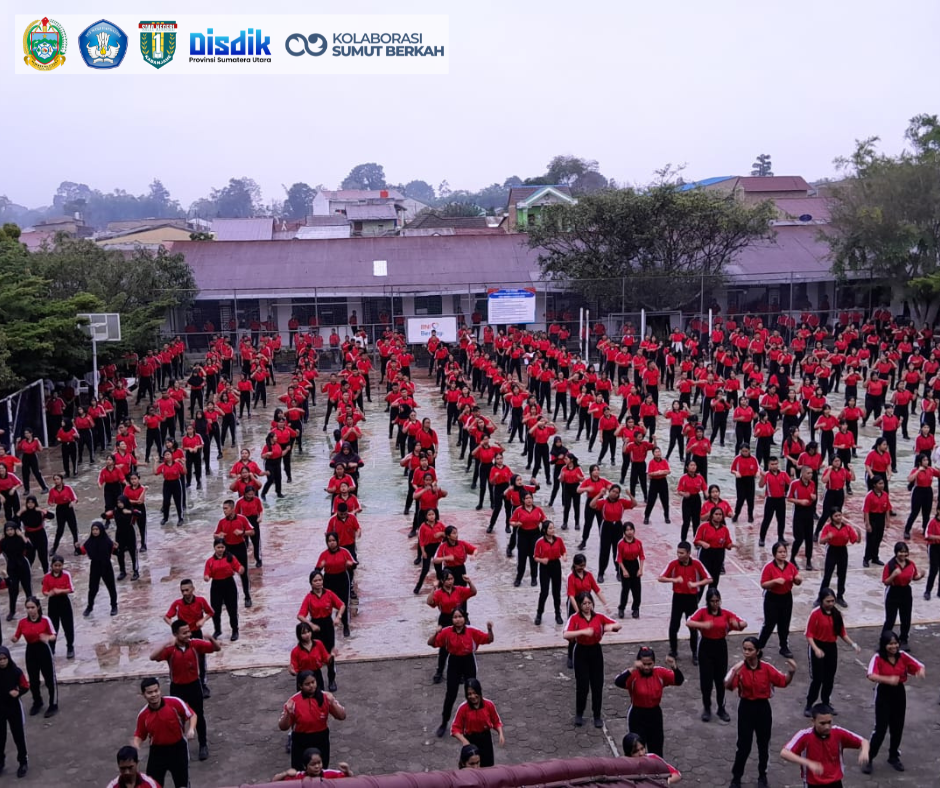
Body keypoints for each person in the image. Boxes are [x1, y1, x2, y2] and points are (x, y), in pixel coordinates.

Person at [725, 637, 797, 788]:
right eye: (744, 649)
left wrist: (791, 672)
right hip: (746, 708)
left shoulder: (767, 668)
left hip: (763, 709)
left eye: (750, 649)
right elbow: (728, 686)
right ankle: (736, 777)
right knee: (743, 746)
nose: (746, 652)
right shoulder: (739, 668)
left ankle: (762, 775)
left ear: (758, 652)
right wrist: (734, 673)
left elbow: (783, 682)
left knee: (763, 745)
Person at [150, 620, 221, 761]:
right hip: (177, 688)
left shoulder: (195, 644)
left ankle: (203, 745)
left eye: (189, 631)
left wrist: (211, 638)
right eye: (184, 633)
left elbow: (216, 648)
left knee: (199, 715)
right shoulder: (170, 650)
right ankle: (180, 745)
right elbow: (153, 657)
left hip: (194, 685)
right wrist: (166, 643)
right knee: (178, 719)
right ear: (175, 634)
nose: (188, 634)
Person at [863, 629, 925, 774]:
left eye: (896, 643)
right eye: (890, 644)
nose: (894, 647)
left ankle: (893, 756)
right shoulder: (878, 657)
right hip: (884, 693)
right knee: (880, 728)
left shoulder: (902, 656)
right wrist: (888, 680)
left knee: (897, 726)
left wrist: (919, 672)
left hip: (899, 693)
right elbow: (871, 675)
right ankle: (869, 757)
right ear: (884, 645)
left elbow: (918, 666)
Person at [429, 611, 494, 738]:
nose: (458, 620)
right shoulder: (447, 632)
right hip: (454, 662)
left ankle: (476, 721)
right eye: (455, 617)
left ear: (464, 619)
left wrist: (490, 630)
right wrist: (436, 633)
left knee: (473, 694)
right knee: (450, 694)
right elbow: (431, 643)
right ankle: (444, 722)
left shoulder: (471, 631)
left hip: (468, 661)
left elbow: (489, 639)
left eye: (460, 617)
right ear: (452, 619)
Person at [687, 588, 746, 722]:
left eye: (717, 601)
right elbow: (689, 622)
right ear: (708, 602)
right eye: (712, 601)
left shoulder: (725, 614)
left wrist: (738, 624)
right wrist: (703, 625)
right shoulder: (702, 612)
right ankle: (707, 707)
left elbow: (742, 623)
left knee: (721, 680)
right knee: (706, 681)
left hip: (720, 647)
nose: (715, 604)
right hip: (706, 647)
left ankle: (721, 707)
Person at [563, 591, 620, 728]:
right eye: (584, 603)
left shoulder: (599, 617)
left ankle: (597, 715)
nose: (587, 606)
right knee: (582, 685)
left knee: (597, 684)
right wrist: (582, 632)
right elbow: (566, 634)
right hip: (581, 651)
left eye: (589, 603)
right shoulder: (575, 618)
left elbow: (617, 624)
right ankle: (579, 714)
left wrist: (610, 627)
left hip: (595, 651)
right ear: (579, 605)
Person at [614, 646, 683, 756]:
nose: (646, 667)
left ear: (654, 663)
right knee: (636, 750)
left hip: (655, 715)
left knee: (656, 749)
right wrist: (632, 668)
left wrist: (674, 666)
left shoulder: (660, 673)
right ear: (638, 663)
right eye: (643, 664)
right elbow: (618, 682)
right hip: (637, 715)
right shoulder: (633, 674)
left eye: (649, 664)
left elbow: (679, 681)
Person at [803, 588, 860, 716]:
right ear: (822, 600)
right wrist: (816, 649)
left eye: (832, 601)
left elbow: (842, 633)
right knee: (817, 679)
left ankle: (825, 702)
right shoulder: (815, 613)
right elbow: (809, 634)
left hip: (831, 647)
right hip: (817, 645)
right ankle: (809, 704)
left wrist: (853, 644)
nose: (830, 604)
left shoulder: (836, 614)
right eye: (827, 601)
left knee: (829, 678)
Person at [781, 704, 869, 786]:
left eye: (829, 722)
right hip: (813, 784)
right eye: (822, 723)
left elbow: (864, 741)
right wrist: (808, 763)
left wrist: (864, 751)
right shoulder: (804, 736)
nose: (827, 727)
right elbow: (784, 753)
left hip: (835, 781)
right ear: (813, 721)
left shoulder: (838, 733)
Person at [131, 676, 196, 788]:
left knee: (182, 784)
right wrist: (136, 746)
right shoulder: (143, 715)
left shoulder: (175, 703)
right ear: (143, 695)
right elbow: (139, 734)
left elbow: (192, 715)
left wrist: (191, 729)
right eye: (150, 692)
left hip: (178, 749)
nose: (154, 695)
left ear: (160, 690)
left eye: (156, 691)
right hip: (157, 752)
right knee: (152, 784)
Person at [658, 541, 712, 661]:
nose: (679, 555)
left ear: (688, 553)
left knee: (693, 627)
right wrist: (674, 580)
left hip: (692, 599)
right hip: (677, 598)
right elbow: (660, 578)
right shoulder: (673, 564)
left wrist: (696, 584)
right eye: (678, 552)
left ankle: (695, 653)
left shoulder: (697, 564)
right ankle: (673, 650)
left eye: (681, 553)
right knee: (673, 626)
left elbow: (709, 579)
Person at [164, 579, 215, 697]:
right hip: (182, 636)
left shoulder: (201, 601)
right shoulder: (177, 604)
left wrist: (203, 620)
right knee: (181, 658)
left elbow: (211, 612)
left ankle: (203, 683)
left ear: (193, 589)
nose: (184, 593)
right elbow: (167, 617)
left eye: (187, 590)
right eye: (182, 591)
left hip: (196, 633)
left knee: (200, 660)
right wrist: (175, 626)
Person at [297, 570, 344, 692]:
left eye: (320, 580)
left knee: (330, 654)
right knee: (313, 653)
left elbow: (341, 605)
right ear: (311, 583)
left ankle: (332, 679)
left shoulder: (328, 593)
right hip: (315, 626)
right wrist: (311, 625)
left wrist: (338, 617)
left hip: (328, 625)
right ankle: (314, 681)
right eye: (315, 581)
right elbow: (300, 615)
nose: (318, 583)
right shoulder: (309, 597)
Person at [11, 597, 57, 718]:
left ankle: (53, 703)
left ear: (38, 607)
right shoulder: (22, 622)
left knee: (49, 678)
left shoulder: (45, 620)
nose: (30, 610)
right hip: (31, 650)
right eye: (28, 608)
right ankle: (37, 701)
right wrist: (14, 639)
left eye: (32, 607)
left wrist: (47, 638)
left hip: (43, 650)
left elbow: (53, 635)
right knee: (33, 679)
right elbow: (17, 636)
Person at [757, 541, 802, 658]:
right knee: (769, 624)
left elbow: (797, 578)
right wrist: (775, 581)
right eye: (780, 552)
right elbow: (763, 584)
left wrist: (798, 579)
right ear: (774, 554)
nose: (783, 554)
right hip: (772, 598)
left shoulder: (790, 566)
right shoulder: (769, 567)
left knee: (784, 623)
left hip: (786, 597)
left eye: (784, 552)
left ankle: (784, 646)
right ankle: (759, 646)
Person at [450, 678, 505, 768]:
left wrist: (501, 734)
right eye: (469, 694)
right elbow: (455, 729)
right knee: (471, 768)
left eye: (475, 693)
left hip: (485, 739)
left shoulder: (489, 705)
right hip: (471, 740)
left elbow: (496, 721)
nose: (473, 696)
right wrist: (465, 741)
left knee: (487, 766)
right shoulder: (463, 708)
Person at [882, 541, 923, 649]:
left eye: (905, 552)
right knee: (890, 619)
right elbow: (885, 581)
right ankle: (884, 640)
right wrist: (894, 575)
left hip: (906, 592)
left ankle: (903, 639)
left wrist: (921, 575)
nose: (903, 554)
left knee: (906, 618)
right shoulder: (890, 565)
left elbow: (914, 577)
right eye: (900, 552)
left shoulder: (911, 564)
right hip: (893, 591)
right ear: (896, 552)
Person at [214, 500, 254, 608]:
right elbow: (215, 535)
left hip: (240, 547)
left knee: (243, 573)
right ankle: (223, 597)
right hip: (228, 549)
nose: (224, 511)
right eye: (223, 508)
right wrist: (219, 535)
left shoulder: (242, 518)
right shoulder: (222, 522)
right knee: (224, 573)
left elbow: (252, 531)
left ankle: (247, 597)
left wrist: (243, 533)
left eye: (226, 508)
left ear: (232, 508)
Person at [204, 537, 244, 641]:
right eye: (218, 547)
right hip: (216, 586)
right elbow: (207, 573)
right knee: (215, 610)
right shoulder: (210, 561)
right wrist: (206, 577)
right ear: (214, 548)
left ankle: (235, 630)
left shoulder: (230, 558)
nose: (220, 549)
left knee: (232, 609)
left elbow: (238, 567)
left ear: (225, 547)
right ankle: (217, 630)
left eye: (222, 547)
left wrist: (240, 569)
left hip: (229, 584)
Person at [818, 510, 861, 606]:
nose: (838, 517)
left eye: (839, 515)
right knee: (827, 575)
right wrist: (827, 537)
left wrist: (859, 535)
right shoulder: (828, 527)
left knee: (842, 575)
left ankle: (840, 596)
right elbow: (821, 541)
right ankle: (821, 597)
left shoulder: (847, 527)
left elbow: (855, 540)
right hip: (832, 551)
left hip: (842, 551)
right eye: (836, 516)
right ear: (831, 517)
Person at [77, 519, 119, 617]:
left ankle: (114, 606)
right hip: (95, 566)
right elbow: (82, 552)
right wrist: (77, 548)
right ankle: (89, 606)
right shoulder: (89, 542)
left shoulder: (107, 541)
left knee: (111, 587)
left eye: (97, 529)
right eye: (93, 529)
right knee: (92, 588)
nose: (95, 531)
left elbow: (114, 552)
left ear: (101, 530)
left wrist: (116, 548)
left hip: (106, 566)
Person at [0, 646, 29, 778]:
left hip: (13, 708)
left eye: (4, 658)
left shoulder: (16, 672)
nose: (2, 662)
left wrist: (18, 693)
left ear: (8, 658)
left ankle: (23, 762)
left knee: (18, 736)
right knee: (0, 738)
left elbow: (25, 686)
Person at [41, 555, 75, 659]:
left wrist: (59, 591)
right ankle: (52, 648)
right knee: (53, 627)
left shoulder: (66, 575)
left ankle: (70, 647)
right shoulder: (47, 576)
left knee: (68, 626)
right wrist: (49, 593)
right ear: (51, 565)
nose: (57, 567)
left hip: (64, 601)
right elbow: (44, 591)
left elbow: (71, 589)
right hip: (53, 603)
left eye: (59, 565)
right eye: (55, 565)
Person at [533, 520, 566, 625]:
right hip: (545, 567)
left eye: (553, 528)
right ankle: (539, 613)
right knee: (544, 592)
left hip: (556, 565)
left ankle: (558, 614)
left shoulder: (559, 540)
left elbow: (563, 551)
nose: (552, 530)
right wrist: (542, 560)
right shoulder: (540, 542)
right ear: (544, 530)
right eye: (550, 528)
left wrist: (564, 556)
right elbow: (535, 557)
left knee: (557, 592)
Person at [616, 522, 645, 619]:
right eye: (627, 530)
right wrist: (623, 570)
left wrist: (640, 569)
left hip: (635, 564)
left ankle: (636, 609)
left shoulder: (638, 543)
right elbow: (619, 558)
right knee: (625, 589)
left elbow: (641, 556)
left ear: (634, 530)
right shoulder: (621, 543)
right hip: (625, 564)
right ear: (624, 532)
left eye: (631, 530)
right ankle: (621, 608)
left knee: (637, 589)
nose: (629, 532)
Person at [272, 746, 353, 781]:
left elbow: (350, 780)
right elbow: (274, 781)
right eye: (313, 764)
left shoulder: (330, 774)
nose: (317, 766)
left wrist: (347, 771)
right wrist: (285, 773)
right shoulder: (298, 776)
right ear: (305, 766)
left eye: (319, 763)